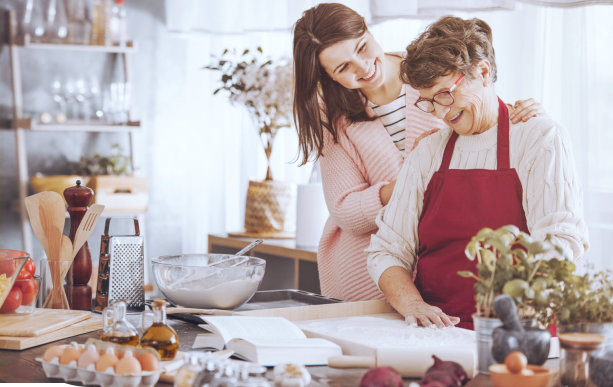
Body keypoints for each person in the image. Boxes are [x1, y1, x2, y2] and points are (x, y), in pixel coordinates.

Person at [292, 3, 544, 301]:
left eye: (361, 47)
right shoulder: (330, 117)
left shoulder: (425, 68)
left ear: (366, 25)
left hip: (440, 262)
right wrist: (410, 183)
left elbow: (480, 107)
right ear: (329, 76)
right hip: (365, 271)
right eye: (343, 67)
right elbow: (346, 211)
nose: (362, 67)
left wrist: (524, 115)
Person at [366, 16, 588, 329]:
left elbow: (560, 240)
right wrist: (413, 304)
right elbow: (387, 250)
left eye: (446, 93)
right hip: (439, 334)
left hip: (520, 335)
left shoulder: (539, 138)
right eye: (429, 102)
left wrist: (515, 320)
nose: (442, 113)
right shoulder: (427, 152)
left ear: (483, 72)